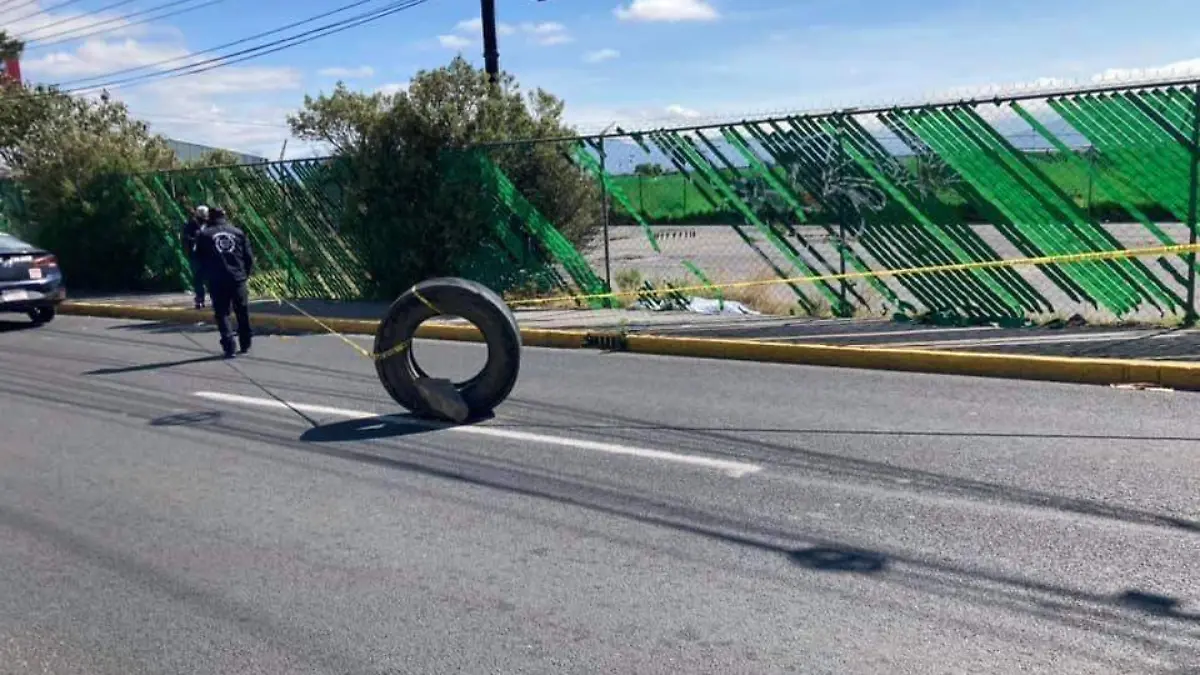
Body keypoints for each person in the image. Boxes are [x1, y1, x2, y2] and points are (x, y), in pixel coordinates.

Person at [194, 206, 254, 358]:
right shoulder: (238, 233)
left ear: (210, 218)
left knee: (222, 313)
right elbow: (249, 257)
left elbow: (198, 260)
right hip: (237, 278)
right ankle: (245, 342)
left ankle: (229, 346)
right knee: (242, 310)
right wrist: (243, 274)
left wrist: (203, 279)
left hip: (217, 280)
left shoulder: (204, 235)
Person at [181, 204, 209, 309]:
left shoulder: (209, 224)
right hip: (197, 255)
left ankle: (209, 298)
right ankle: (200, 298)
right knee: (198, 278)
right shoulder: (191, 225)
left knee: (207, 278)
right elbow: (185, 238)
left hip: (207, 254)